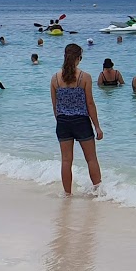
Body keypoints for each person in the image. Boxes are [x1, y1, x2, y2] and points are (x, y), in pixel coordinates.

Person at [50, 42, 102, 194]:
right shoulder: (84, 77)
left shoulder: (55, 79)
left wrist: (61, 121)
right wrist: (97, 126)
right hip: (81, 121)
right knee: (91, 159)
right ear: (79, 58)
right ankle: (98, 191)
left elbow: (55, 106)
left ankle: (67, 194)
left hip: (63, 122)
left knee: (66, 160)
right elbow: (90, 104)